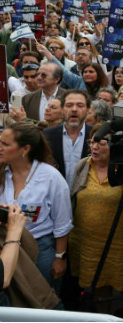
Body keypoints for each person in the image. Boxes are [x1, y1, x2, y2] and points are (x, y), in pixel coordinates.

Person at [69, 127, 123, 311]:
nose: (94, 147)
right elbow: (73, 199)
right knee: (98, 288)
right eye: (92, 142)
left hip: (122, 244)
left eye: (101, 143)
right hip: (88, 244)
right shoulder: (83, 166)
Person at [0, 123, 73, 293]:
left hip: (40, 251)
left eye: (5, 144)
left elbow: (62, 223)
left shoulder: (51, 177)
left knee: (40, 300)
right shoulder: (2, 173)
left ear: (25, 149)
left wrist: (59, 258)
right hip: (4, 247)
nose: (0, 147)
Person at [43, 90, 92, 186]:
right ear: (62, 109)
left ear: (88, 109)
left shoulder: (96, 135)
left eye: (80, 105)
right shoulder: (47, 136)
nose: (74, 109)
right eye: (69, 105)